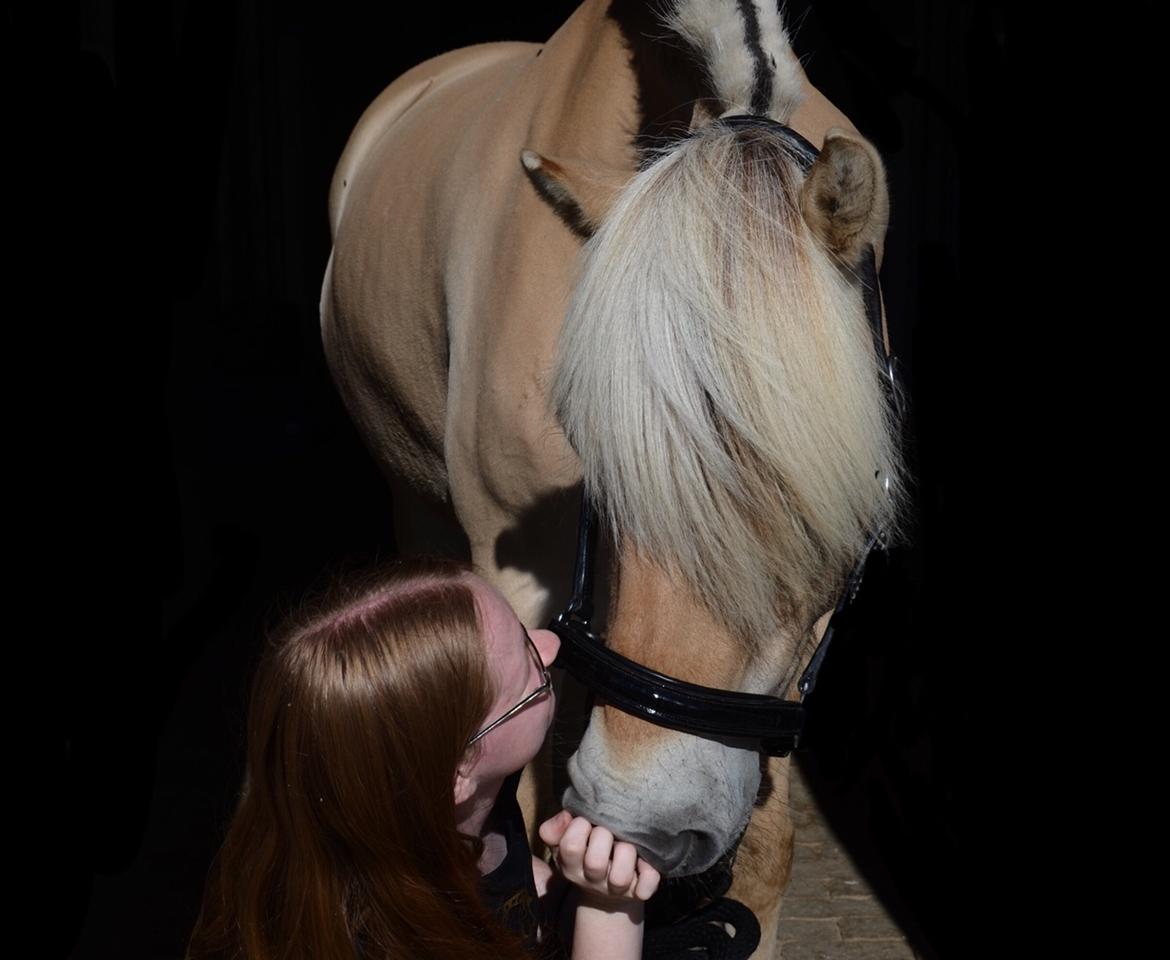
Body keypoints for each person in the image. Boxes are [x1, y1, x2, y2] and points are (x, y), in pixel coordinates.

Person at [186, 557, 660, 960]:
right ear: (458, 772)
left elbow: (501, 880)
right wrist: (609, 906)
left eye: (520, 628)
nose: (551, 646)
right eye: (528, 671)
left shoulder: (428, 804)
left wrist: (547, 886)